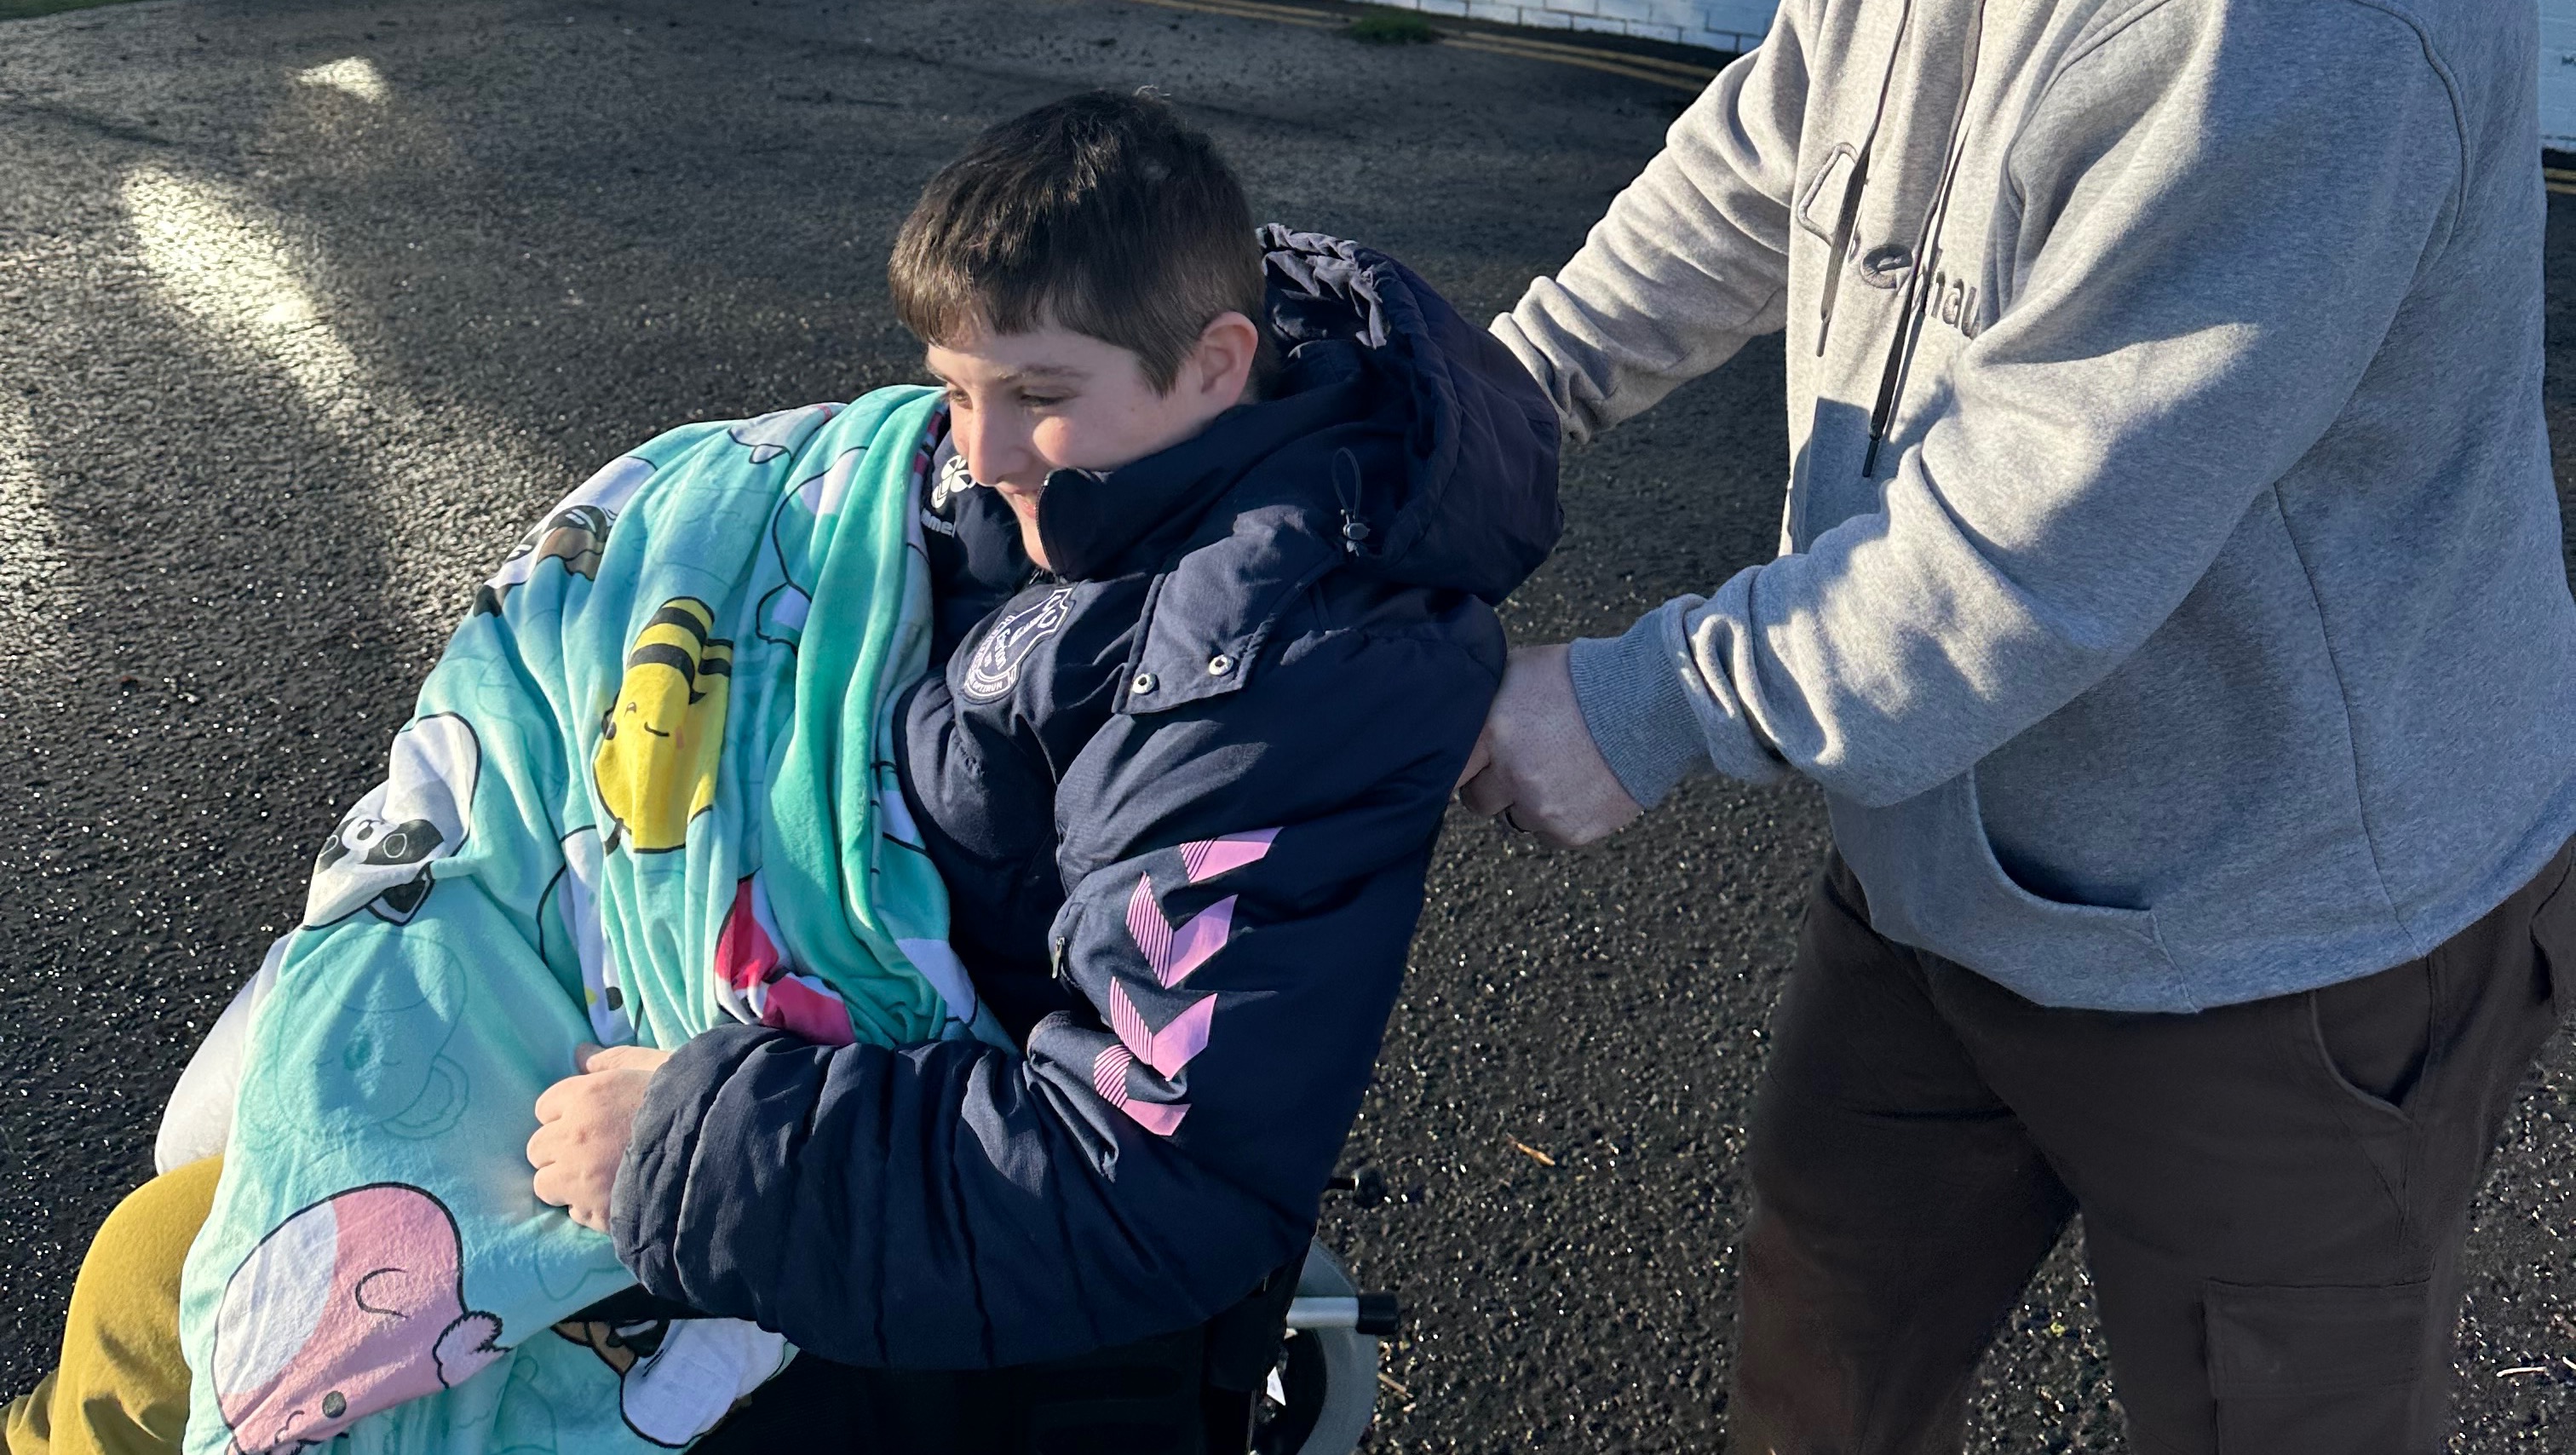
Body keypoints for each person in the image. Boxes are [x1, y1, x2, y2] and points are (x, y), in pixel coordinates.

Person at [8, 89, 1560, 1455]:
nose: (976, 453)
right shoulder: (1041, 484)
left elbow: (1151, 1173)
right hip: (691, 1059)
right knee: (158, 1267)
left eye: (1039, 397)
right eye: (954, 387)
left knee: (191, 1311)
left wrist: (686, 1144)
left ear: (1219, 362)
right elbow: (771, 544)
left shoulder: (1273, 681)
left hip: (823, 1198)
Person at [1457, 1, 2576, 1451]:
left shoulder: (2313, 34)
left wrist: (1646, 706)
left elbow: (2039, 537)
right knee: (1819, 1387)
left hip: (2279, 933)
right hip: (1938, 859)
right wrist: (1489, 405)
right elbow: (1791, 140)